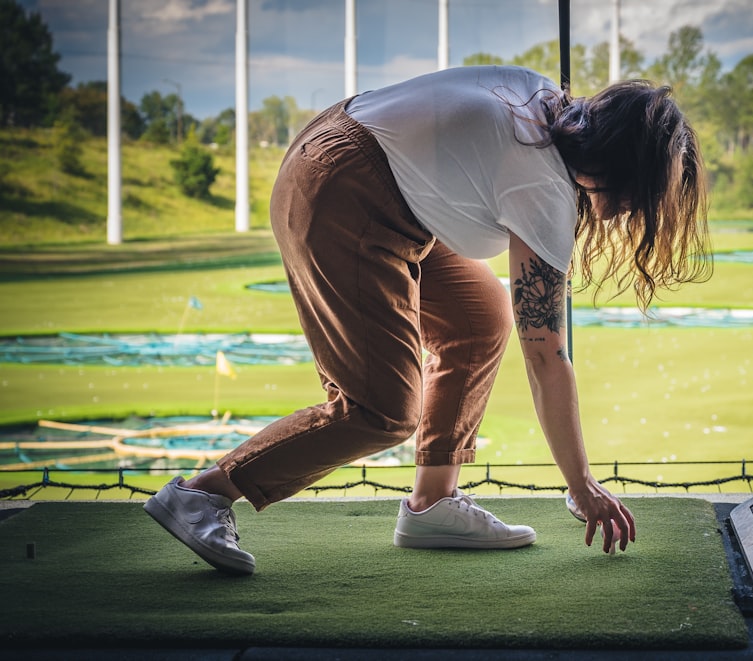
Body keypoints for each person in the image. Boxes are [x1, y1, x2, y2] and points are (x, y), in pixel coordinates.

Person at [144, 65, 712, 575]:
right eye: (646, 196)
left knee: (479, 315)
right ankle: (205, 494)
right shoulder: (543, 184)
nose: (640, 211)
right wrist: (582, 486)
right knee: (381, 409)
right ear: (619, 171)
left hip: (361, 169)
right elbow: (546, 358)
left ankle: (434, 505)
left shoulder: (545, 101)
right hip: (343, 191)